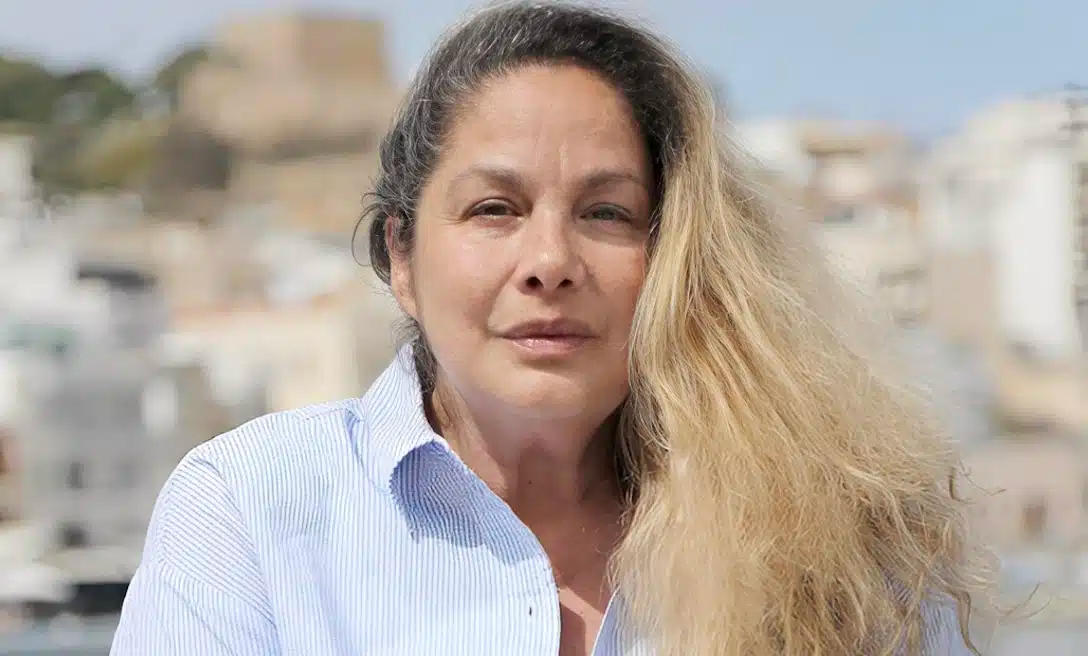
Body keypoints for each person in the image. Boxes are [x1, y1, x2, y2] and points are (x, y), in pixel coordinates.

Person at [111, 2, 993, 654]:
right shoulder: (250, 512)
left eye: (607, 213)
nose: (550, 261)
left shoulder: (836, 545)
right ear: (402, 257)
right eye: (494, 208)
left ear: (681, 254)